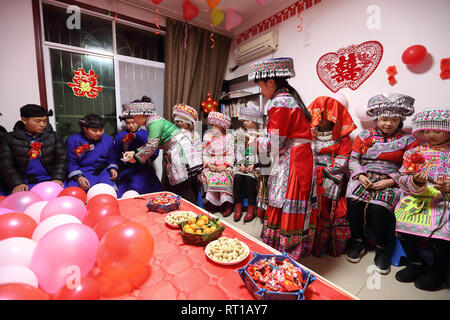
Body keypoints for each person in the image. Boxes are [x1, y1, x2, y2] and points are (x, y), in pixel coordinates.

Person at [249, 57, 317, 260]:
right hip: (301, 155)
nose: (261, 91)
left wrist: (255, 143)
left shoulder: (279, 102)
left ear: (270, 82)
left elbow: (276, 142)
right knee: (292, 201)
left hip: (292, 159)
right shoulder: (292, 98)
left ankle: (285, 250)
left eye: (261, 86)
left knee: (285, 199)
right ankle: (294, 244)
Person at [346, 93, 417, 275]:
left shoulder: (409, 140)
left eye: (394, 119)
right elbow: (354, 159)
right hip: (365, 176)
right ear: (377, 119)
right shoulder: (364, 135)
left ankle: (382, 248)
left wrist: (391, 180)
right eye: (384, 119)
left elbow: (409, 166)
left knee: (379, 208)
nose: (388, 123)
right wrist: (360, 175)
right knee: (353, 200)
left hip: (391, 179)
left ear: (400, 120)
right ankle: (357, 241)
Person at [394, 108, 449, 291]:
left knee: (445, 230)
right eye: (426, 131)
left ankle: (439, 271)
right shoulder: (414, 152)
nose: (430, 135)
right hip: (419, 196)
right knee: (403, 216)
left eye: (437, 131)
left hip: (445, 201)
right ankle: (415, 262)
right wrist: (414, 181)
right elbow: (402, 178)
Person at [122, 97, 201, 204]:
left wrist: (135, 158)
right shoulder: (153, 121)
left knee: (184, 188)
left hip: (180, 153)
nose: (134, 120)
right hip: (176, 151)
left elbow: (152, 145)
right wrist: (134, 152)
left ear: (142, 114)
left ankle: (191, 212)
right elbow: (152, 143)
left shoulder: (154, 123)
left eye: (135, 117)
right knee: (182, 187)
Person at [308, 95, 357, 257]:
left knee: (326, 190)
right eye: (317, 115)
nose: (319, 119)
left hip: (332, 172)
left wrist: (325, 171)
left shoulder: (343, 136)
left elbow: (343, 160)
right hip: (312, 169)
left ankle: (322, 236)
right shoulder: (310, 133)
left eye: (323, 115)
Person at [0, 104, 67, 194]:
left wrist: (57, 178)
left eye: (45, 121)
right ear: (24, 120)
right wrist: (17, 183)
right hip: (24, 181)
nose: (42, 124)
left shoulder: (54, 136)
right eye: (38, 121)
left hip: (50, 178)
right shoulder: (9, 138)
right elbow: (6, 164)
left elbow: (62, 159)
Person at [66, 114, 118, 191]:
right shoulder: (73, 140)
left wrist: (113, 169)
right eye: (94, 131)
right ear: (85, 129)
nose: (98, 133)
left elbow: (112, 158)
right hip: (81, 171)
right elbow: (71, 162)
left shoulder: (108, 140)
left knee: (107, 190)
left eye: (101, 130)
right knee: (76, 192)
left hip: (102, 171)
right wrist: (79, 177)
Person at [114, 115, 163, 198]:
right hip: (127, 170)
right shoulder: (120, 136)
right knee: (127, 190)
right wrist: (123, 158)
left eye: (133, 123)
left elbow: (154, 151)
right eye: (128, 123)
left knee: (155, 191)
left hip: (145, 169)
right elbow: (117, 152)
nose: (131, 126)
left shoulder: (147, 134)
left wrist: (143, 159)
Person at [233, 104, 264, 223]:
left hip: (255, 165)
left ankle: (251, 207)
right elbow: (239, 152)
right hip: (242, 164)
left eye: (248, 120)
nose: (245, 123)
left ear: (255, 121)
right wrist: (241, 164)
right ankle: (237, 206)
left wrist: (253, 165)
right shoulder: (241, 134)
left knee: (249, 179)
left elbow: (262, 153)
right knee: (238, 177)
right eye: (244, 120)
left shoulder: (261, 135)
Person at [200, 111, 234, 216]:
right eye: (212, 125)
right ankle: (212, 204)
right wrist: (209, 164)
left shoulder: (229, 137)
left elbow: (231, 154)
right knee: (210, 176)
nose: (213, 127)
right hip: (211, 163)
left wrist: (225, 165)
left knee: (224, 176)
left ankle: (226, 204)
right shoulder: (207, 137)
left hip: (225, 163)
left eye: (215, 125)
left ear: (221, 126)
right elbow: (205, 154)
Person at [171, 103, 203, 202]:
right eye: (178, 121)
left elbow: (199, 150)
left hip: (192, 167)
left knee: (191, 188)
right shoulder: (174, 134)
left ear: (189, 122)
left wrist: (200, 167)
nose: (179, 123)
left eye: (182, 121)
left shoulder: (195, 135)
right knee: (181, 188)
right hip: (179, 167)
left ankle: (192, 205)